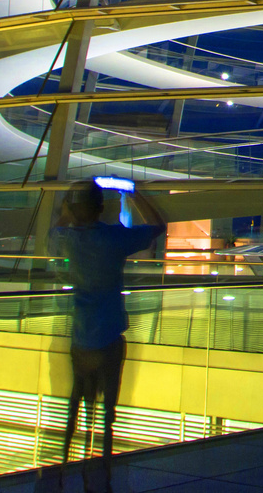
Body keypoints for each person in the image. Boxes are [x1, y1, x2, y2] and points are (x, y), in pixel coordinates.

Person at [50, 179, 165, 473]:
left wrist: (69, 203)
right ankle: (105, 465)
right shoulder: (114, 238)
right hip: (109, 335)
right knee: (108, 409)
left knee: (76, 403)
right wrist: (135, 192)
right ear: (101, 208)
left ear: (76, 210)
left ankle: (65, 464)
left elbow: (60, 222)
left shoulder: (68, 238)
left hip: (80, 338)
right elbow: (158, 226)